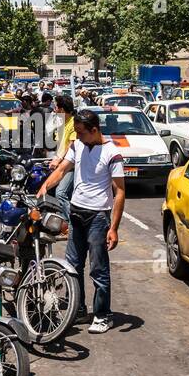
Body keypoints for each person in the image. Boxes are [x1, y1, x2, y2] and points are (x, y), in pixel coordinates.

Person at [37, 108, 126, 334]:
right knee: (72, 266)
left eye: (80, 132)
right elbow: (62, 169)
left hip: (98, 216)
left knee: (98, 268)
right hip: (76, 213)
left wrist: (113, 228)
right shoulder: (78, 146)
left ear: (94, 130)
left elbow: (120, 192)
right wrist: (45, 186)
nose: (76, 137)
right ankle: (77, 309)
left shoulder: (112, 153)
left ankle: (103, 315)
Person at [51, 94, 77, 213]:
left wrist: (59, 158)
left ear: (61, 109)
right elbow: (59, 145)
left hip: (71, 165)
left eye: (56, 107)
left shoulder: (74, 123)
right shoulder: (62, 123)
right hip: (60, 163)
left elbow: (71, 145)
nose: (54, 110)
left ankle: (71, 223)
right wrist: (54, 158)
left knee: (60, 193)